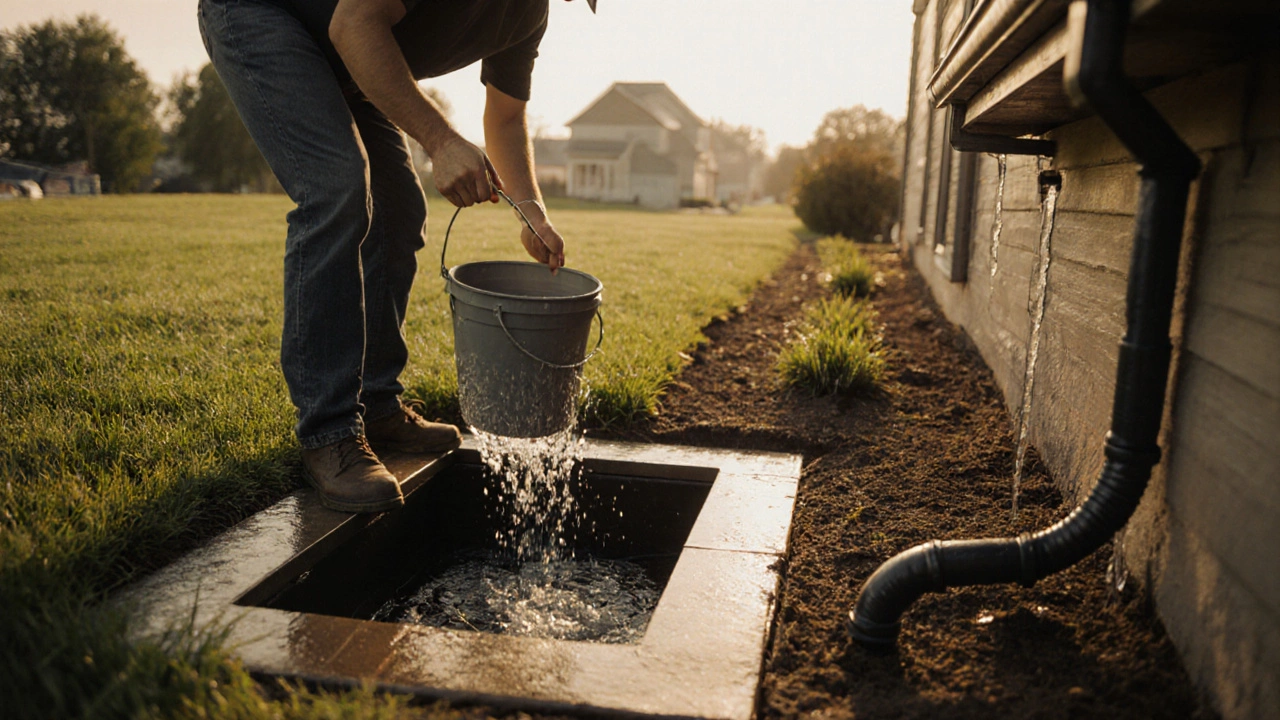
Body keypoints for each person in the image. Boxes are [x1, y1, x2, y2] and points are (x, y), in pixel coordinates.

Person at [198, 0, 595, 513]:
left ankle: (377, 405)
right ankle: (329, 433)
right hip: (263, 15)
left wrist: (532, 213)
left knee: (400, 211)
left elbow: (507, 115)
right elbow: (354, 22)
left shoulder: (527, 16)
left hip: (349, 58)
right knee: (336, 189)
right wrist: (441, 140)